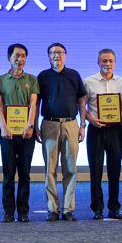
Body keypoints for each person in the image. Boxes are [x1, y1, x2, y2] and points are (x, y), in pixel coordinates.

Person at [36, 43, 87, 222]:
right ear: (48, 56)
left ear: (65, 55)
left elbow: (82, 101)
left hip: (71, 124)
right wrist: (35, 125)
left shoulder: (74, 75)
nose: (56, 55)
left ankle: (67, 209)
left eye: (60, 52)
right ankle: (53, 209)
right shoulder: (42, 76)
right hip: (49, 125)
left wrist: (82, 125)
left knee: (70, 169)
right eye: (53, 53)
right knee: (50, 169)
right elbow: (36, 103)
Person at [0, 44, 39, 223]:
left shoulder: (32, 79)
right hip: (7, 133)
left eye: (24, 56)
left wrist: (30, 125)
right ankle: (8, 211)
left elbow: (33, 104)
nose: (20, 59)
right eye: (17, 55)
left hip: (27, 133)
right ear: (9, 57)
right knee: (8, 173)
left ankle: (23, 212)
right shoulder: (0, 80)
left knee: (25, 173)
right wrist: (3, 126)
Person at [83, 49, 122, 220]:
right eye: (104, 61)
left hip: (116, 129)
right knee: (95, 170)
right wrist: (90, 120)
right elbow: (81, 106)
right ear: (98, 63)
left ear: (115, 63)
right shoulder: (89, 82)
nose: (107, 64)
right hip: (96, 129)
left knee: (114, 170)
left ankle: (114, 208)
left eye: (110, 61)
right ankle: (97, 208)